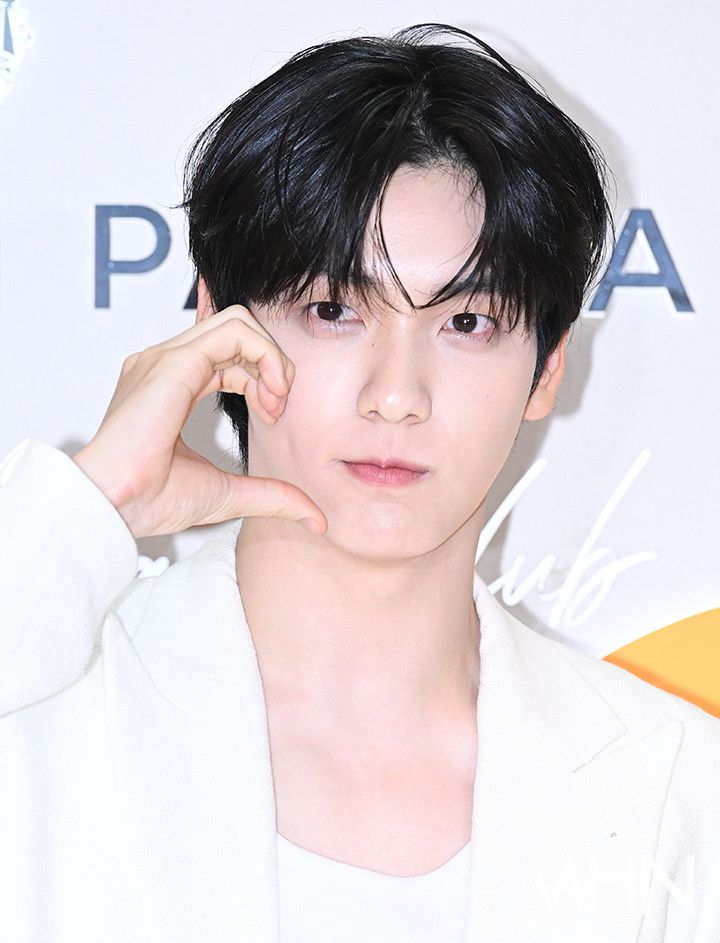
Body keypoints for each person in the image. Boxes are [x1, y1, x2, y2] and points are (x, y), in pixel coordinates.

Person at [1, 22, 719, 943]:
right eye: (334, 308)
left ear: (546, 368)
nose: (396, 394)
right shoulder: (45, 710)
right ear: (216, 326)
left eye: (467, 323)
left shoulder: (673, 790)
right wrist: (90, 503)